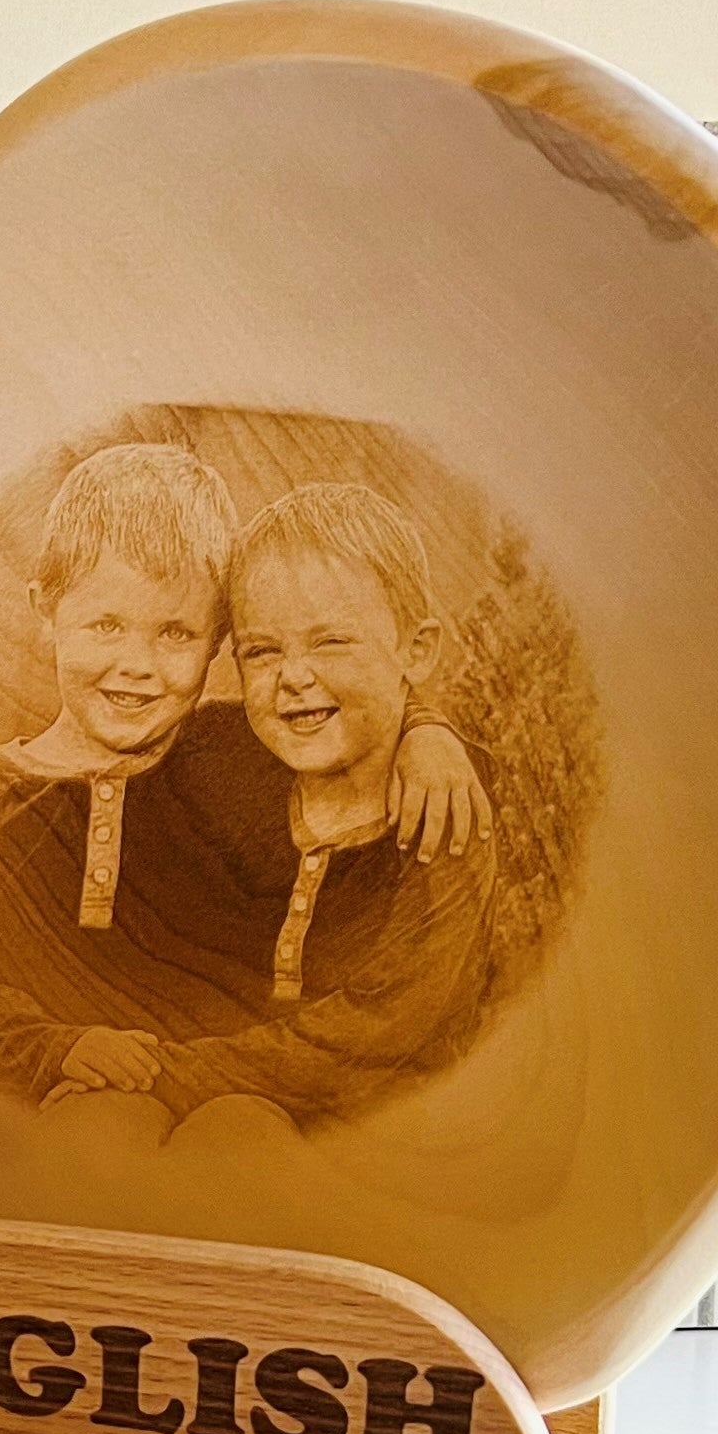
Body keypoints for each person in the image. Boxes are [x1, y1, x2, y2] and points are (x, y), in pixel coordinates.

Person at [0, 445, 487, 1107]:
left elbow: (350, 714)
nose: (137, 664)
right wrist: (52, 1049)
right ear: (45, 612)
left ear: (215, 642)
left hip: (213, 1099)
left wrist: (425, 733)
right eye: (106, 624)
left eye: (175, 634)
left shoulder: (226, 750)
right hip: (37, 1105)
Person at [138, 482, 499, 1125]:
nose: (294, 676)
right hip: (192, 1093)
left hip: (380, 1141)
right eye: (263, 651)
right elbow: (74, 806)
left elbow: (375, 1032)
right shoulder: (211, 757)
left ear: (416, 651)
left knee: (230, 1134)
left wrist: (165, 1077)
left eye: (331, 642)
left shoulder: (446, 814)